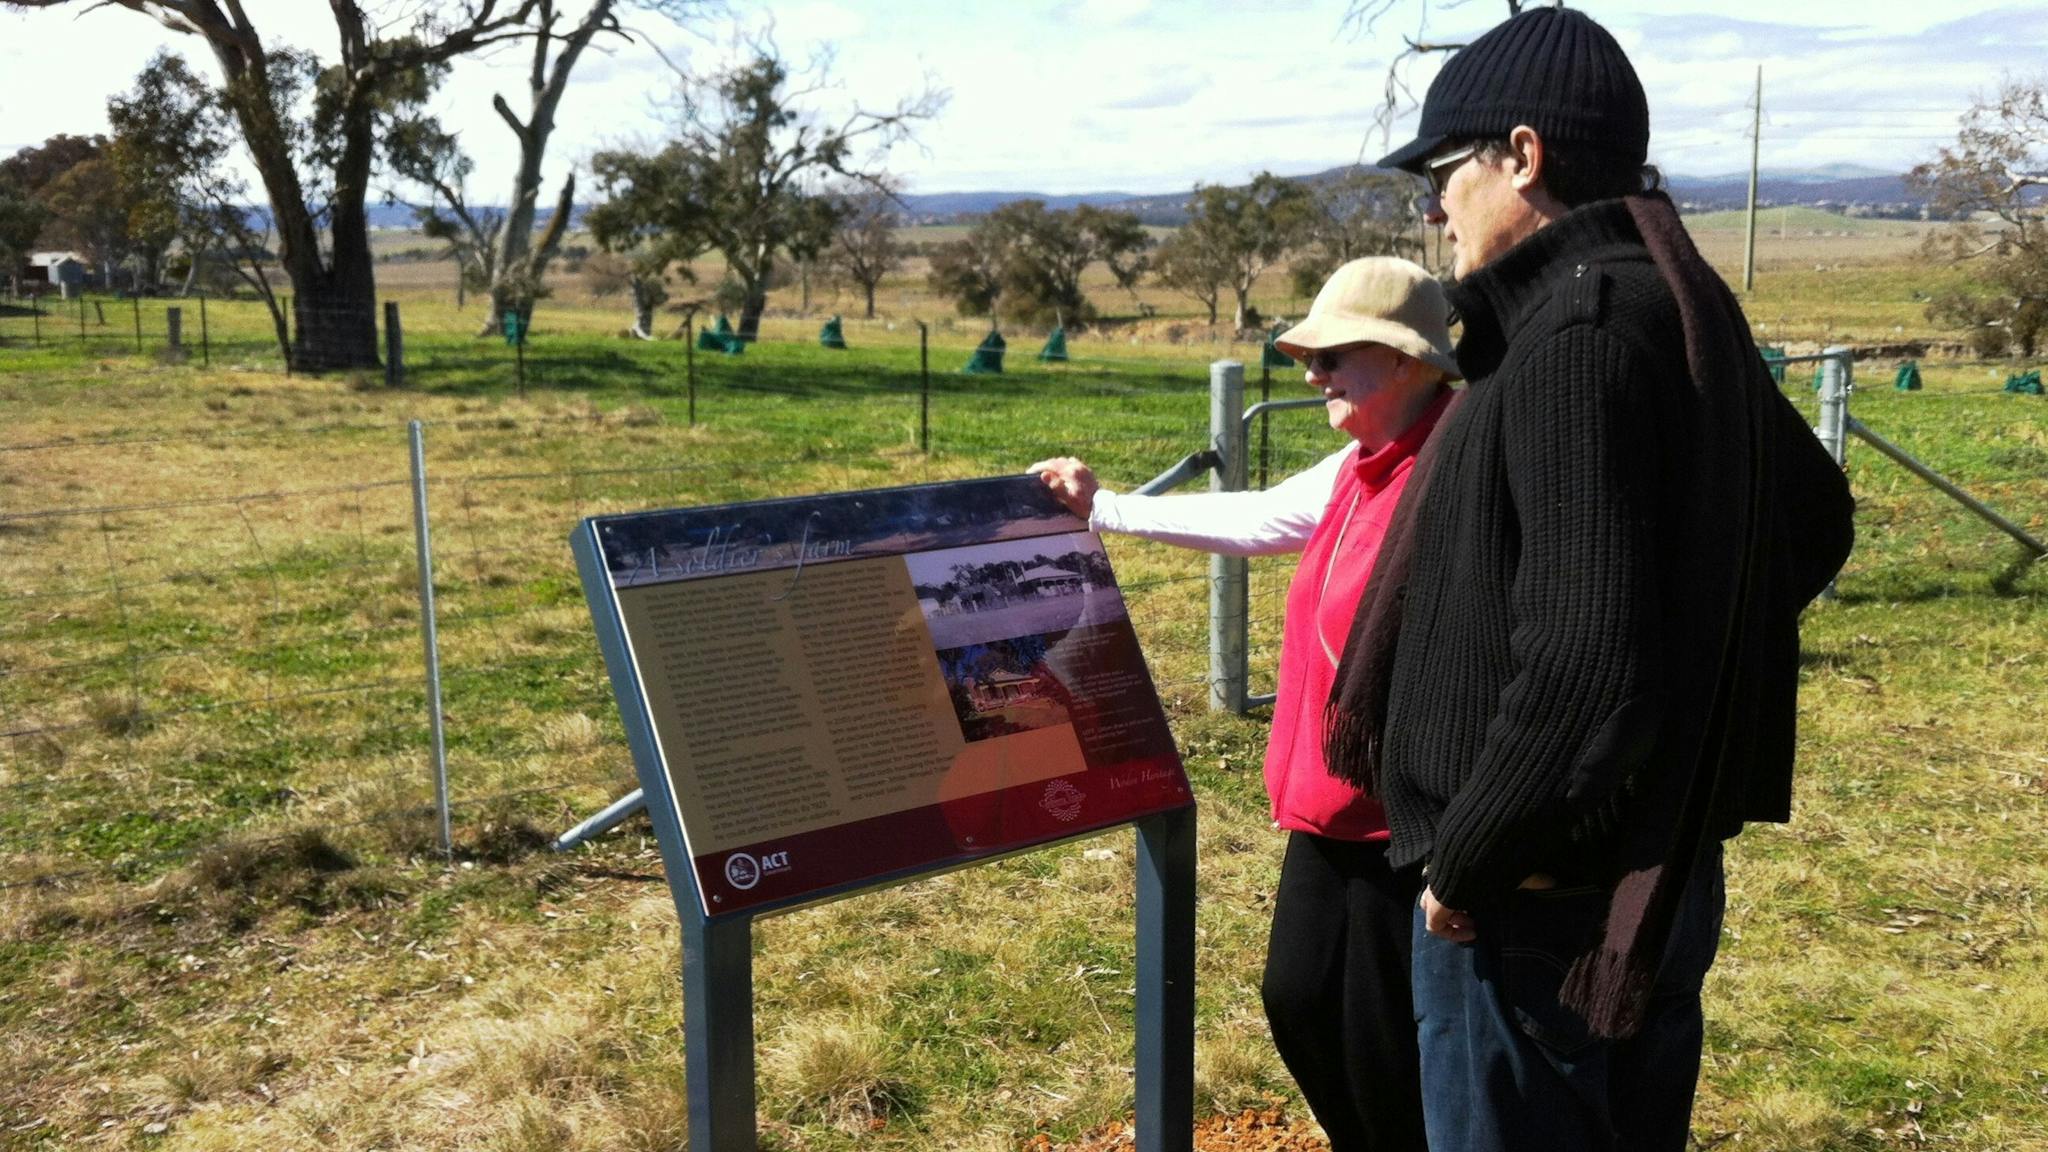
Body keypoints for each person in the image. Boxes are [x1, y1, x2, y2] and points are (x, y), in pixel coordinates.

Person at [1320, 8, 1856, 1152]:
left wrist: (1470, 865)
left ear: (1522, 155)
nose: (1429, 205)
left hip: (1533, 903)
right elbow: (1809, 519)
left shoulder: (1579, 333)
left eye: (1442, 170)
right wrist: (1686, 671)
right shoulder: (1666, 300)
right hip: (1634, 869)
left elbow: (1582, 660)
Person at [1031, 256, 1457, 1152]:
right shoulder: (1361, 464)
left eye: (1336, 355)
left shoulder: (1455, 471)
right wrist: (1103, 509)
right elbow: (1262, 518)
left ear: (1410, 359)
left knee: (1385, 1045)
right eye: (1310, 357)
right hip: (1329, 806)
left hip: (1410, 817)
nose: (1313, 375)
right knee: (1298, 1001)